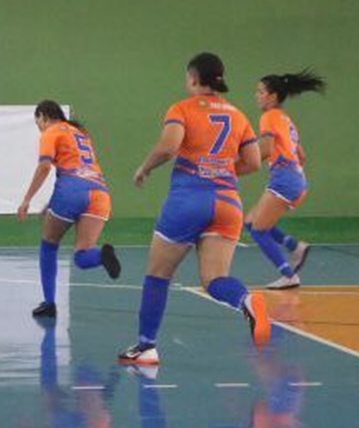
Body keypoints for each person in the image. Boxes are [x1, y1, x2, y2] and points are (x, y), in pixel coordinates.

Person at [118, 52, 271, 366]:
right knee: (215, 279)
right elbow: (255, 162)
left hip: (188, 199)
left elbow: (169, 146)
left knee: (158, 276)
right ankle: (246, 299)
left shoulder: (182, 109)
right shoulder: (239, 115)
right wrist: (221, 171)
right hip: (228, 203)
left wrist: (145, 167)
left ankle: (147, 347)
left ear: (192, 79)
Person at [16, 100, 121, 318]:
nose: (40, 128)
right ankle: (102, 255)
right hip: (100, 193)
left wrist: (27, 199)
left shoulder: (51, 131)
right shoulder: (80, 133)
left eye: (39, 123)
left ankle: (49, 303)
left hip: (71, 190)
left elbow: (46, 167)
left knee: (49, 244)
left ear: (43, 116)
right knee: (82, 256)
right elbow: (78, 167)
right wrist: (52, 203)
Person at [243, 70, 325, 289]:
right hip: (294, 177)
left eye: (261, 92)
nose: (257, 95)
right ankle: (295, 246)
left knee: (259, 230)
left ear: (273, 96)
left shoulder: (269, 117)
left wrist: (239, 163)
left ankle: (289, 275)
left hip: (285, 179)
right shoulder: (286, 119)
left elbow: (266, 149)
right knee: (250, 222)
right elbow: (302, 155)